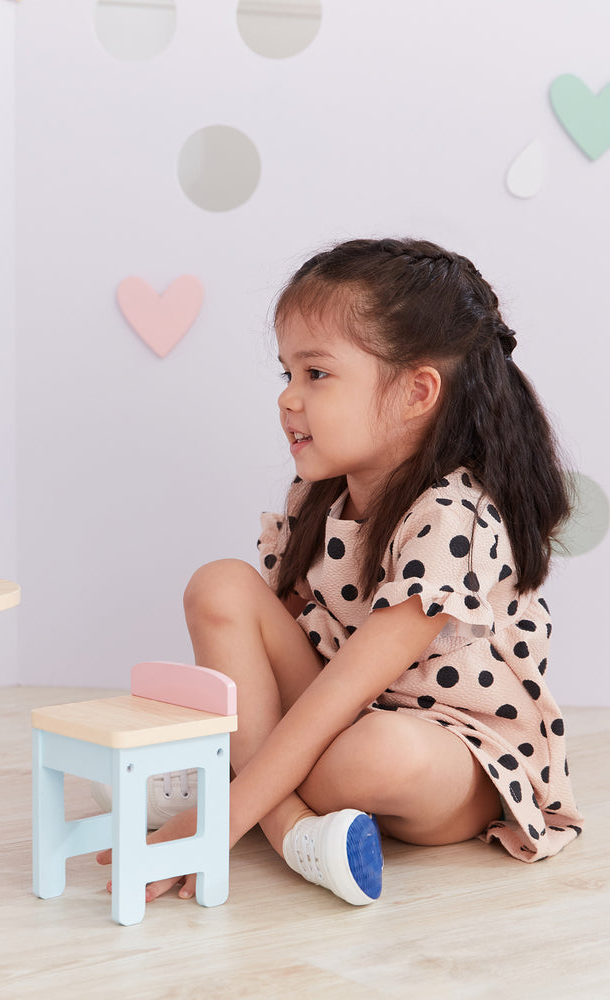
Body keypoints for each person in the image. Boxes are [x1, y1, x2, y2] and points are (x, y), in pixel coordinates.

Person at [102, 237, 584, 907]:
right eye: (286, 374)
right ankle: (294, 828)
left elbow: (343, 690)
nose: (288, 399)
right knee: (219, 583)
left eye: (316, 374)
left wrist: (210, 824)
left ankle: (237, 786)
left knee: (384, 750)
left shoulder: (454, 516)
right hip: (343, 722)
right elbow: (279, 658)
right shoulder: (322, 496)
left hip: (450, 756)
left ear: (418, 391)